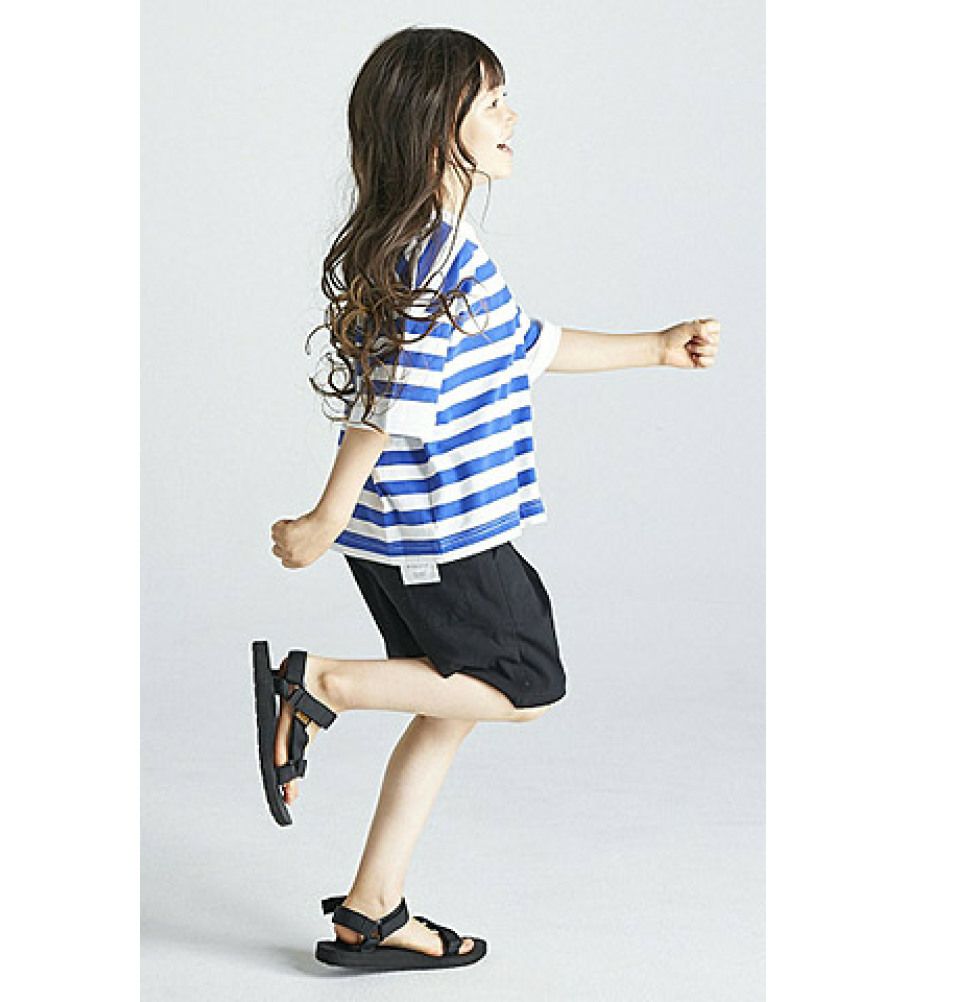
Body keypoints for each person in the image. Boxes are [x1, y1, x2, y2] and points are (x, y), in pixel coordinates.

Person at [252, 25, 721, 973]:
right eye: (492, 100)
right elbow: (388, 405)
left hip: (413, 533)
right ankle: (319, 685)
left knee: (454, 702)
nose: (512, 115)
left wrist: (656, 347)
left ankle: (372, 912)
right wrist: (323, 520)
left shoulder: (436, 252)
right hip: (439, 534)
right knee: (527, 684)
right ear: (438, 131)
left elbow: (529, 346)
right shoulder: (438, 263)